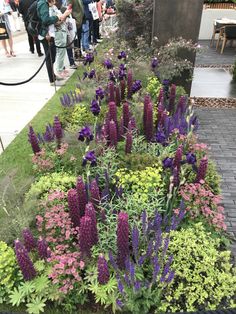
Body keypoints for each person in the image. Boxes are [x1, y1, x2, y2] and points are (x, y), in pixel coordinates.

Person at [37, 0, 71, 85]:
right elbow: (45, 20)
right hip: (46, 35)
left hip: (51, 34)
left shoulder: (47, 4)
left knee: (53, 55)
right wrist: (58, 17)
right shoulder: (43, 3)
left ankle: (53, 76)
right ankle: (52, 80)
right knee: (50, 58)